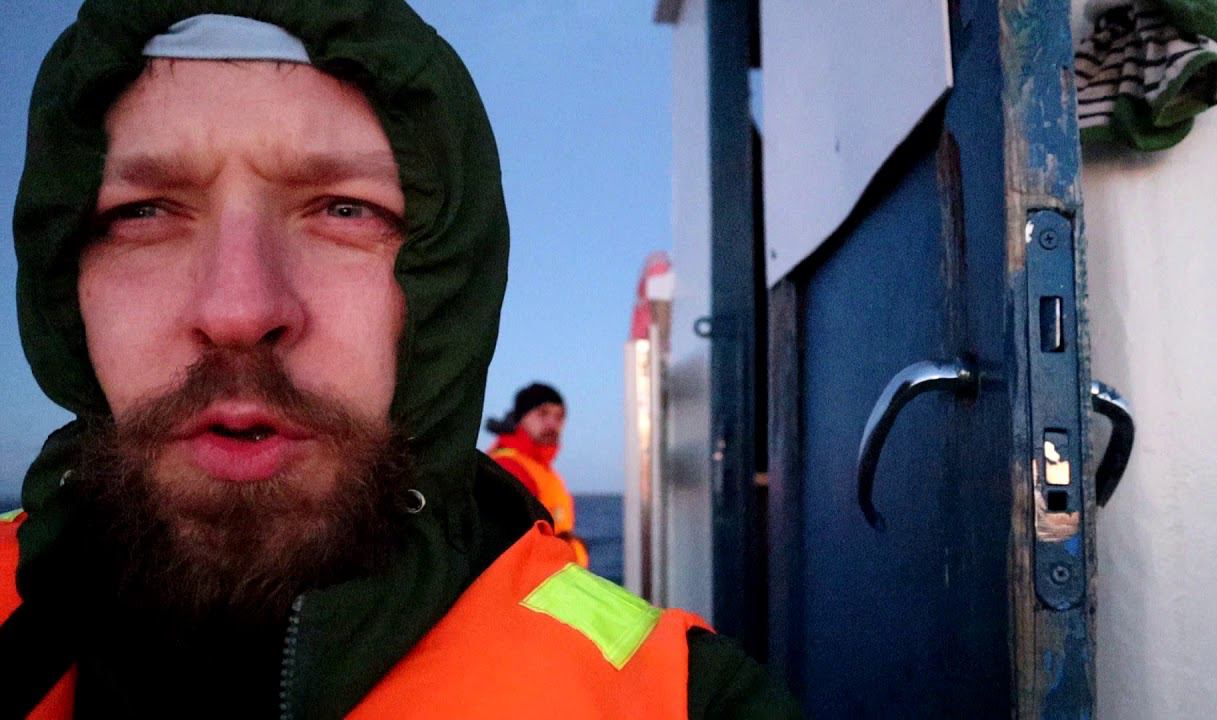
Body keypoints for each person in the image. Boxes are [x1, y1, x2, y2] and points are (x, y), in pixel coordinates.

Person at [0, 2, 801, 717]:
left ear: (450, 286)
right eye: (142, 211)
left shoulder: (673, 702)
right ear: (64, 282)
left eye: (346, 209)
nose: (238, 310)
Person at [485, 383, 589, 566]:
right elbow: (519, 554)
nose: (552, 424)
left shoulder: (541, 470)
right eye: (543, 413)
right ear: (521, 417)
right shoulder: (509, 468)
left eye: (559, 416)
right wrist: (574, 550)